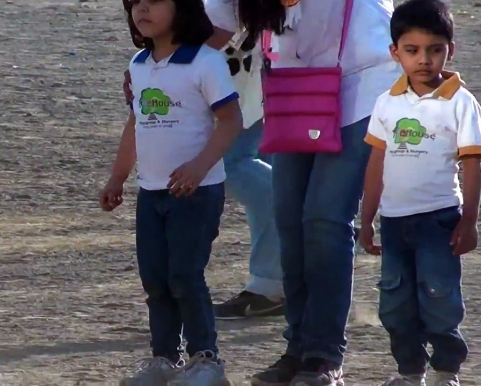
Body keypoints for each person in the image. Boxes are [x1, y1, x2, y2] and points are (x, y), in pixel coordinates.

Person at [234, 0, 402, 385]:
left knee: (325, 220)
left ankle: (324, 356)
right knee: (290, 222)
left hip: (363, 85)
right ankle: (297, 349)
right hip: (295, 91)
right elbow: (214, 15)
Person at [101, 0, 242, 384]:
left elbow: (231, 122)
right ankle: (163, 359)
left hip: (196, 193)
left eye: (155, 0)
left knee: (184, 275)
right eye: (135, 3)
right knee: (155, 279)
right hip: (151, 192)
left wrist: (199, 167)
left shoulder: (205, 62)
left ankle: (207, 360)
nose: (142, 8)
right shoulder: (139, 65)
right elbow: (136, 124)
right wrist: (118, 178)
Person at [361, 1, 476, 385]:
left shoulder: (461, 103)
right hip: (394, 221)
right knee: (395, 304)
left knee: (440, 300)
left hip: (439, 218)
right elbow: (377, 163)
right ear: (395, 52)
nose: (424, 59)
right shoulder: (386, 102)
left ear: (450, 50)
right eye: (412, 50)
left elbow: (472, 164)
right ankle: (410, 374)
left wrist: (470, 220)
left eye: (435, 49)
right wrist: (367, 220)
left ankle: (447, 372)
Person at [203, 0, 285, 319]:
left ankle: (274, 283)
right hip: (257, 84)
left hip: (244, 87)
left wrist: (162, 63)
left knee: (232, 166)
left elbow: (219, 31)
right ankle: (280, 280)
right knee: (258, 171)